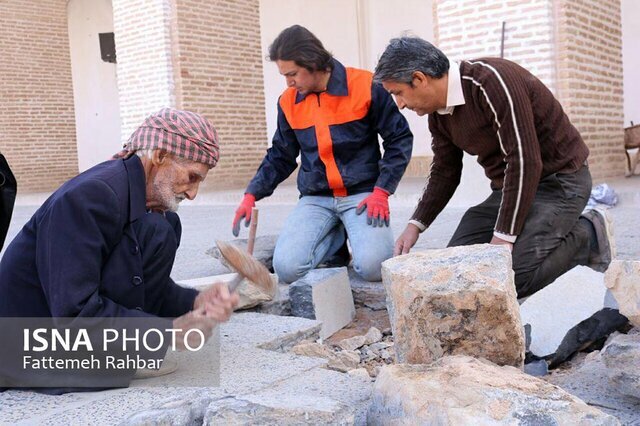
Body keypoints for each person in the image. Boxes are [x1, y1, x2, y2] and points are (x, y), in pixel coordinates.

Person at [0, 108, 239, 389]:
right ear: (160, 156)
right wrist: (165, 332)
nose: (192, 193)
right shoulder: (92, 197)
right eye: (192, 177)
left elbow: (141, 280)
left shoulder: (136, 195)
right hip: (23, 343)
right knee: (158, 229)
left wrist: (196, 301)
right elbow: (73, 314)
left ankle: (122, 354)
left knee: (160, 228)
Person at [373, 37, 615, 298]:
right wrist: (415, 224)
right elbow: (445, 170)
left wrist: (503, 238)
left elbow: (525, 160)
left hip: (560, 183)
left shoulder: (491, 82)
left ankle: (588, 234)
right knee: (460, 267)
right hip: (509, 189)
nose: (400, 104)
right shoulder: (438, 115)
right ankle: (528, 233)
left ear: (419, 79)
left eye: (397, 92)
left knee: (511, 277)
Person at [232, 25, 413, 283]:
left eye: (292, 74)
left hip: (363, 196)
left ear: (313, 62)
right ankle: (336, 237)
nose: (288, 82)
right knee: (287, 269)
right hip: (316, 198)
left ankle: (351, 228)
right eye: (284, 76)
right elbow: (281, 155)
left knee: (374, 269)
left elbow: (399, 138)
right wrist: (251, 195)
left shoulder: (365, 85)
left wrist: (382, 191)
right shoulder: (287, 101)